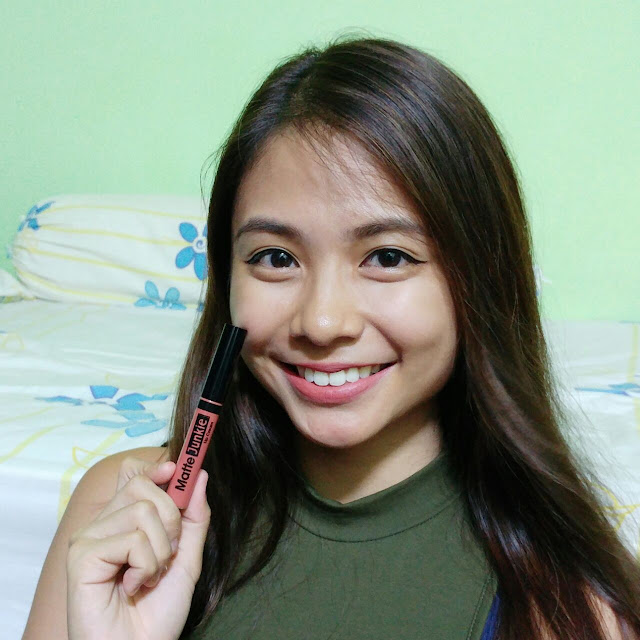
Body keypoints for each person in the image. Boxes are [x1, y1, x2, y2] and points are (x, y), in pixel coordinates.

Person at [22, 34, 640, 640]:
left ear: (480, 277)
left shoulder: (574, 607)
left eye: (388, 257)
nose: (321, 323)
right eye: (275, 258)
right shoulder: (120, 512)